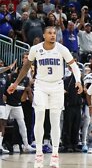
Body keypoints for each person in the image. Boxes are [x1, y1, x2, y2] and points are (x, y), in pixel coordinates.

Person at [7, 27, 83, 168]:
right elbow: (26, 66)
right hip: (41, 85)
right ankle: (39, 154)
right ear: (44, 35)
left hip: (57, 86)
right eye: (50, 33)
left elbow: (74, 66)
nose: (53, 35)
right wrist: (16, 83)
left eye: (54, 33)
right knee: (40, 115)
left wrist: (78, 80)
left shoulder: (62, 49)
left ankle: (54, 154)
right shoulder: (36, 49)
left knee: (54, 120)